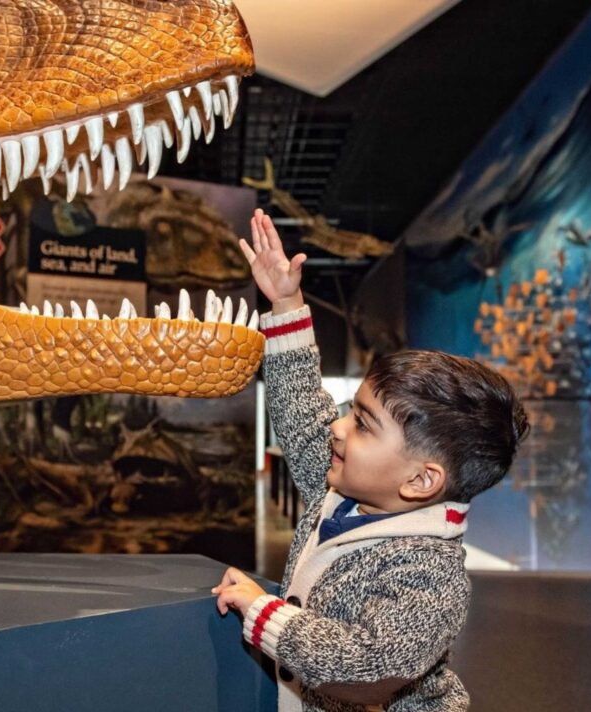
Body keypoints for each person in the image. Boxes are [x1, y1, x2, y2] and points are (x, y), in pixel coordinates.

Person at [213, 209, 529, 711]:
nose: (337, 427)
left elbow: (366, 667)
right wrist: (286, 302)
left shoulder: (430, 572)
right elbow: (301, 412)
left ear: (421, 480)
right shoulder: (345, 493)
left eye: (362, 424)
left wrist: (264, 612)